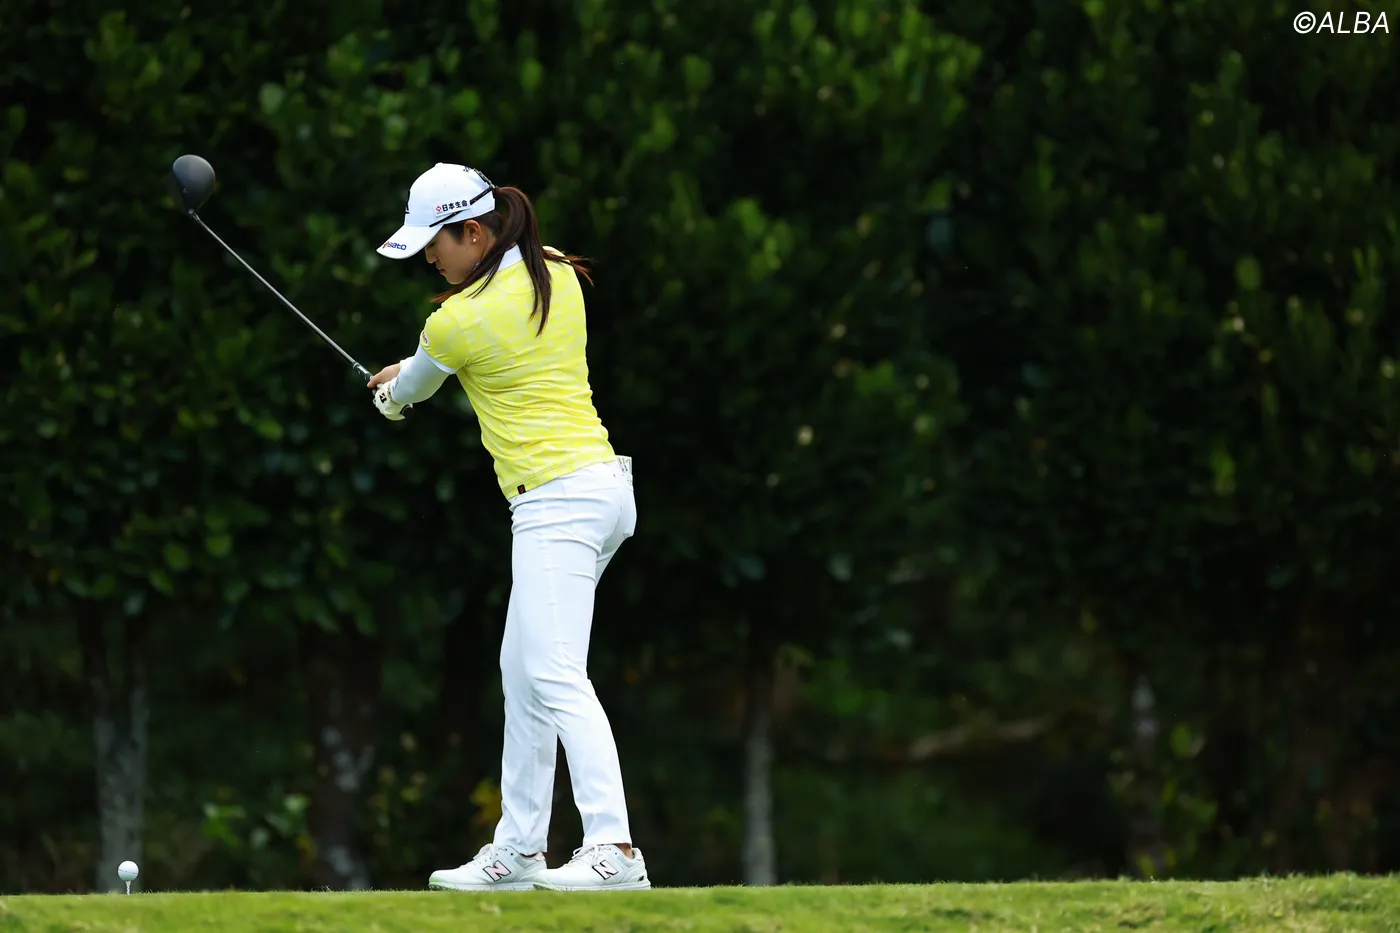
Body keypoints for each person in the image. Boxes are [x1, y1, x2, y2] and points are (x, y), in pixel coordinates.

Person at [367, 162, 650, 892]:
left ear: (472, 231)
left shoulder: (455, 321)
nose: (430, 259)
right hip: (602, 489)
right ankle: (520, 850)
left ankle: (615, 848)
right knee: (522, 672)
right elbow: (447, 359)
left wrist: (392, 395)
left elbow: (415, 387)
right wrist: (410, 373)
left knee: (552, 673)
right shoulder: (556, 270)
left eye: (436, 244)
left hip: (555, 500)